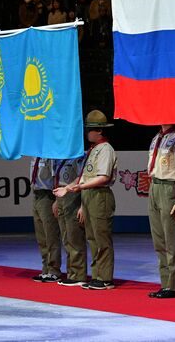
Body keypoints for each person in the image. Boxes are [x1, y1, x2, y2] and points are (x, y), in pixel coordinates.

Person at [55, 110, 117, 290]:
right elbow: (83, 176)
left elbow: (103, 177)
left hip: (100, 195)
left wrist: (80, 187)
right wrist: (67, 188)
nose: (87, 132)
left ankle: (105, 277)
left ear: (99, 131)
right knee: (92, 237)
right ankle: (97, 274)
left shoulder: (106, 149)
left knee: (101, 236)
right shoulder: (93, 150)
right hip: (89, 195)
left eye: (90, 129)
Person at [147, 124, 175, 299]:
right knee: (159, 239)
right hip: (155, 186)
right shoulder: (157, 137)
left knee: (172, 239)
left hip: (170, 188)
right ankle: (165, 283)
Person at [53, 156, 88, 286]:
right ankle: (71, 273)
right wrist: (57, 201)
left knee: (74, 236)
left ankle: (78, 274)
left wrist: (83, 205)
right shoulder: (61, 156)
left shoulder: (80, 155)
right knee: (66, 237)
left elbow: (83, 179)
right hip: (61, 194)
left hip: (74, 194)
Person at [29, 156, 62, 283]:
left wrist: (56, 200)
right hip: (36, 194)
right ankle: (46, 268)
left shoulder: (51, 155)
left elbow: (56, 177)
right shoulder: (34, 155)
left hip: (48, 195)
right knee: (41, 236)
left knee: (51, 235)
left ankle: (54, 270)